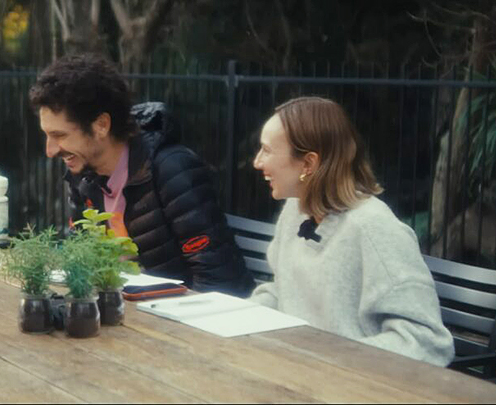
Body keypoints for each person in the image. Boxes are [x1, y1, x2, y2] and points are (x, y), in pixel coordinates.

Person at [248, 96, 454, 366]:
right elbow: (284, 291)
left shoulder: (374, 229)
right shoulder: (295, 211)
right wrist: (238, 315)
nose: (257, 162)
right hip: (298, 374)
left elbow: (427, 342)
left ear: (308, 164)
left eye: (267, 150)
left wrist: (331, 360)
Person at [28, 53, 255, 296]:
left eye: (60, 135)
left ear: (101, 125)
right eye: (47, 135)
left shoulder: (172, 170)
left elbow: (219, 283)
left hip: (187, 321)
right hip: (129, 315)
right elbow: (81, 261)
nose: (50, 151)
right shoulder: (83, 174)